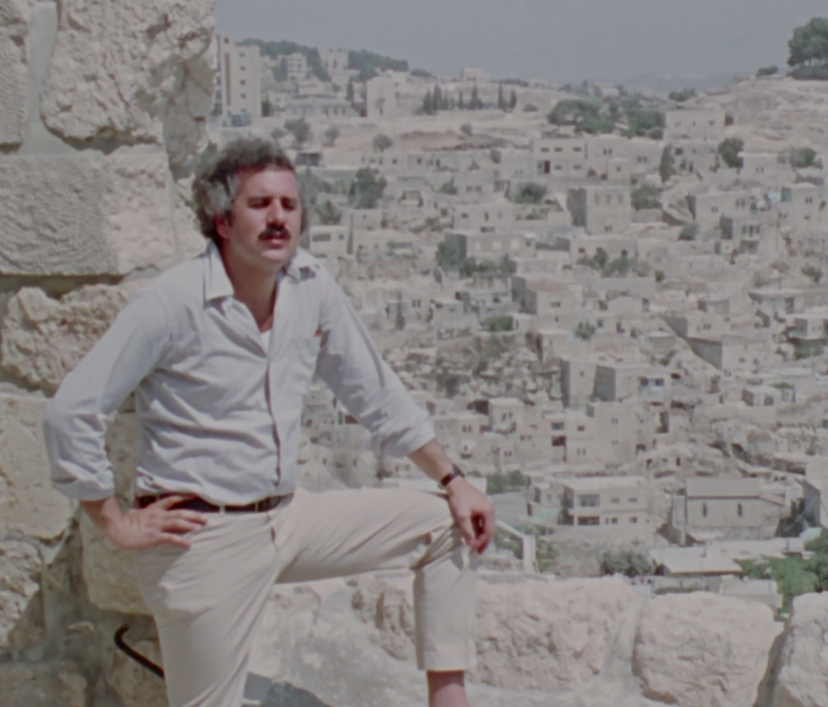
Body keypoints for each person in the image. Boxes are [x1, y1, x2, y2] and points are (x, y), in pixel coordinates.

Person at [43, 138, 496, 707]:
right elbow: (71, 411)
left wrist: (452, 479)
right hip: (205, 538)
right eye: (260, 204)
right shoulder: (174, 302)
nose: (279, 217)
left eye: (289, 204)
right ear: (222, 220)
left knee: (448, 522)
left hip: (287, 518)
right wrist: (114, 523)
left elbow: (377, 394)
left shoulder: (310, 286)